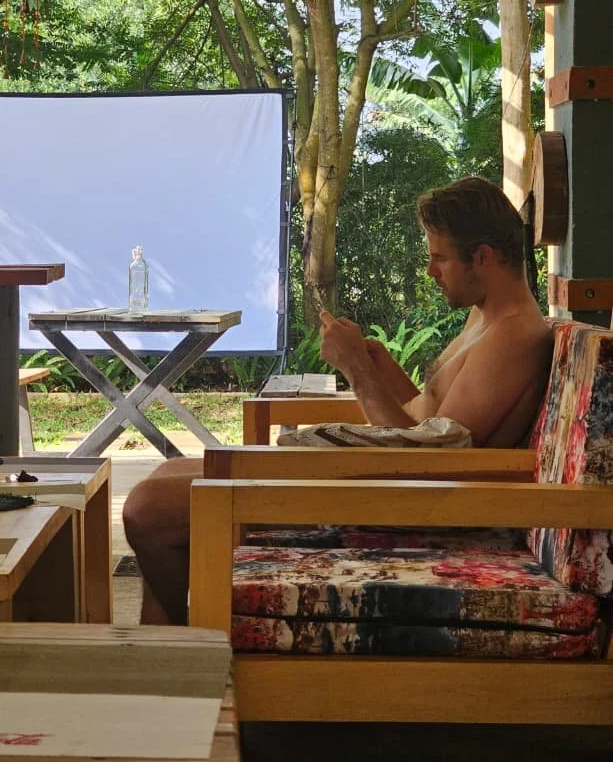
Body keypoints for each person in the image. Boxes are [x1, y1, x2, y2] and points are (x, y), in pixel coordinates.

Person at [122, 176, 554, 625]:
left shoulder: (514, 337)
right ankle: (165, 643)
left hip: (404, 500)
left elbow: (429, 459)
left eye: (439, 258)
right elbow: (433, 424)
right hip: (389, 480)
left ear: (482, 257)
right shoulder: (486, 320)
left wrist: (356, 369)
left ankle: (190, 637)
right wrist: (383, 369)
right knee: (166, 476)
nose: (431, 271)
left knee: (148, 508)